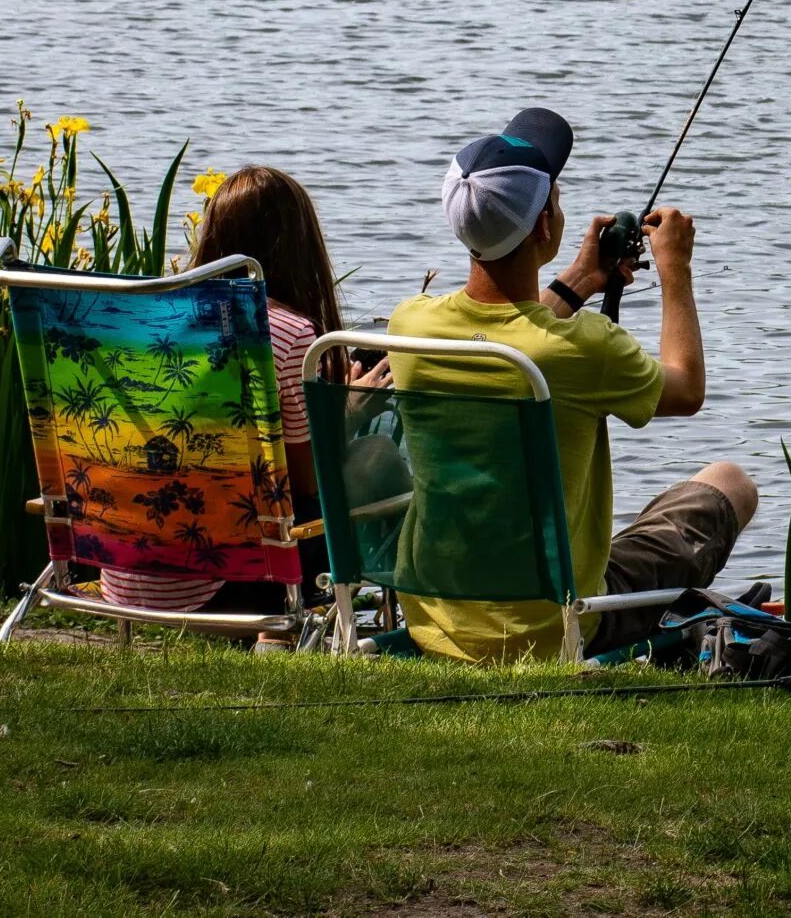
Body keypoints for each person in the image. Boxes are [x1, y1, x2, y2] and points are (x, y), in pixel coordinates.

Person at [385, 107, 757, 663]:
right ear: (543, 228)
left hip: (438, 619)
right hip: (554, 625)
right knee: (729, 482)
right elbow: (686, 389)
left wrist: (581, 279)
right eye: (555, 198)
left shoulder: (411, 326)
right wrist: (675, 268)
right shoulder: (585, 346)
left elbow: (517, 341)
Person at [99, 164, 359, 614]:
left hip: (124, 571)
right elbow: (307, 482)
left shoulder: (149, 320)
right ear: (302, 247)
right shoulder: (289, 333)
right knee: (361, 471)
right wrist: (350, 411)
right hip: (223, 582)